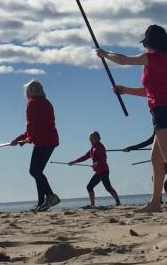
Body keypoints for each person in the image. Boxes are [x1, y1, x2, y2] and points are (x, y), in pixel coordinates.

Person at [99, 24, 167, 212]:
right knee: (156, 158)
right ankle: (155, 203)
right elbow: (151, 91)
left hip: (163, 111)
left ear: (148, 42)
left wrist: (105, 54)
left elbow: (123, 60)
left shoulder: (150, 58)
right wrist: (125, 91)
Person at [11, 79, 60, 211]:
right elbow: (38, 125)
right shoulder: (47, 103)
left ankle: (50, 196)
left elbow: (32, 125)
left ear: (29, 92)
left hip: (43, 141)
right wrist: (20, 138)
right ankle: (41, 202)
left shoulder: (31, 103)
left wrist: (28, 139)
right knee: (38, 172)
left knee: (34, 171)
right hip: (51, 140)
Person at [121, 130, 167, 202]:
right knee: (155, 177)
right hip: (165, 154)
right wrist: (131, 148)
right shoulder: (157, 130)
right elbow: (148, 142)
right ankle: (159, 200)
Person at [69, 131, 121, 208]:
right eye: (90, 139)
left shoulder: (100, 147)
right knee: (89, 187)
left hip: (104, 170)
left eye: (92, 138)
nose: (90, 140)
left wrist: (96, 163)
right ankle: (92, 204)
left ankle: (118, 202)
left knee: (108, 187)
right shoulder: (92, 148)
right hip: (98, 172)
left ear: (97, 138)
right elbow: (85, 156)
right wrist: (75, 161)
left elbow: (104, 159)